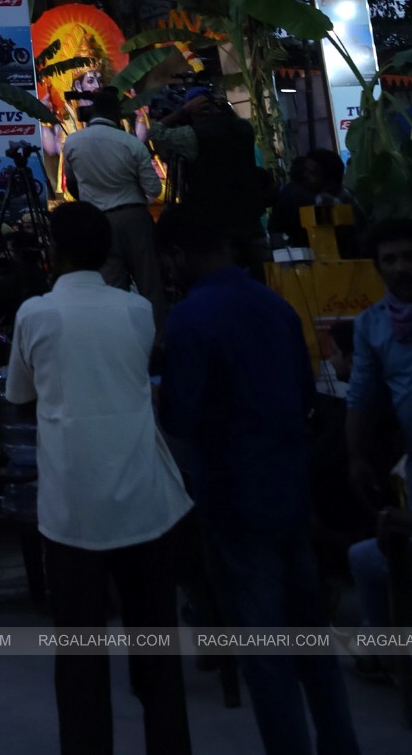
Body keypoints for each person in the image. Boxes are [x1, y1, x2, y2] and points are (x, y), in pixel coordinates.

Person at [157, 210, 359, 755]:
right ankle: (340, 743)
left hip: (233, 496)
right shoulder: (275, 306)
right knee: (310, 636)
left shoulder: (190, 319)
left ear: (177, 257)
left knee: (265, 650)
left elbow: (181, 414)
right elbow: (302, 393)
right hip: (291, 489)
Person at [5, 201, 191, 755]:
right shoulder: (136, 310)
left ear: (55, 252)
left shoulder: (35, 315)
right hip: (144, 500)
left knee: (81, 660)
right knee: (157, 653)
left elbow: (18, 398)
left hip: (72, 510)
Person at [59, 87, 165, 331]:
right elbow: (153, 187)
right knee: (150, 284)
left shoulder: (73, 142)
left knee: (110, 286)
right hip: (134, 217)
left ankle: (117, 337)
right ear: (117, 114)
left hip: (97, 222)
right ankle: (158, 340)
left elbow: (72, 183)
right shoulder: (131, 143)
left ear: (92, 112)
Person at [150, 87, 267, 260]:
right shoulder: (244, 127)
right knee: (259, 270)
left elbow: (155, 133)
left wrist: (183, 112)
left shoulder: (193, 135)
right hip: (249, 216)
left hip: (216, 221)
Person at [346, 217, 412, 507]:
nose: (402, 268)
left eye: (409, 257)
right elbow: (359, 397)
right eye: (390, 260)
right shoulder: (370, 325)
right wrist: (356, 458)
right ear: (378, 268)